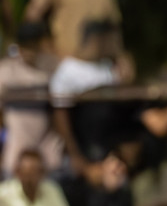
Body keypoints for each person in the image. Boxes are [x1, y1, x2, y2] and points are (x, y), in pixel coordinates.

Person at [50, 19, 129, 170]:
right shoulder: (68, 70)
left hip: (109, 148)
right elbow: (60, 116)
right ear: (97, 40)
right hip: (84, 149)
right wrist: (75, 154)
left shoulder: (108, 67)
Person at [0, 21, 63, 176]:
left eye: (33, 44)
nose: (30, 50)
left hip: (48, 158)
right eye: (25, 45)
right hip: (15, 158)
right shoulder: (4, 71)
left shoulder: (54, 67)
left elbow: (61, 114)